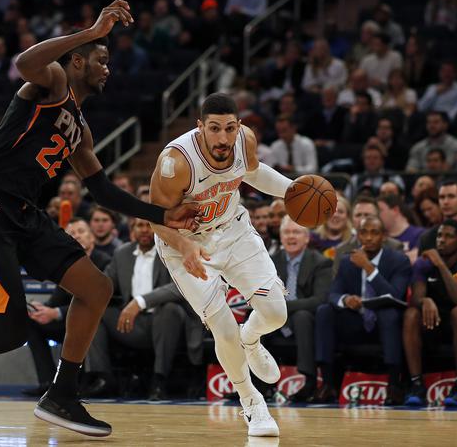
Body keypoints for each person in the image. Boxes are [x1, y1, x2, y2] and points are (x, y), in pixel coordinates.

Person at [0, 0, 198, 437]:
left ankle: (63, 393)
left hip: (23, 214)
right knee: (13, 325)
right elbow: (24, 61)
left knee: (96, 288)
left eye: (109, 60)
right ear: (77, 60)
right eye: (100, 59)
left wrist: (163, 213)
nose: (108, 68)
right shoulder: (53, 80)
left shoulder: (81, 128)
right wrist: (91, 31)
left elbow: (102, 190)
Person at [149, 93, 295, 437]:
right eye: (214, 128)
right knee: (222, 328)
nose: (223, 138)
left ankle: (252, 338)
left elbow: (254, 173)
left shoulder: (245, 141)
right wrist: (184, 245)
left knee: (276, 313)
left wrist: (292, 189)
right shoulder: (176, 161)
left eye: (230, 128)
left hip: (233, 229)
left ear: (238, 126)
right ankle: (252, 403)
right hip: (184, 243)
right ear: (200, 128)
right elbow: (154, 218)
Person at [85, 218, 202, 401]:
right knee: (95, 312)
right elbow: (104, 285)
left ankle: (159, 380)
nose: (144, 230)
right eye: (139, 226)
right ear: (132, 230)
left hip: (167, 325)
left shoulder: (171, 252)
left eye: (149, 225)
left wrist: (140, 302)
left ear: (158, 229)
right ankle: (102, 378)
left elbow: (179, 287)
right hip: (131, 324)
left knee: (169, 310)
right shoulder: (121, 254)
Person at [314, 216, 411, 405]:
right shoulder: (347, 260)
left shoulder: (399, 260)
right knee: (325, 311)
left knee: (389, 314)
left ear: (384, 236)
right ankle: (327, 384)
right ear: (358, 235)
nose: (368, 238)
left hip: (384, 325)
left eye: (374, 233)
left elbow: (395, 296)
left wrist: (368, 267)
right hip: (355, 322)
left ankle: (394, 386)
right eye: (364, 232)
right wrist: (346, 299)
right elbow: (333, 293)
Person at [22, 218, 111, 397]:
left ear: (92, 237)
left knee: (89, 323)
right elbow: (57, 299)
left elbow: (100, 300)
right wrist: (42, 309)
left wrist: (56, 312)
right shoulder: (69, 264)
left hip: (97, 319)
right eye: (72, 233)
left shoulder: (104, 261)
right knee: (30, 324)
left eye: (81, 231)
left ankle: (87, 381)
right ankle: (48, 382)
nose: (77, 235)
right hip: (68, 321)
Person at [403, 219, 457, 407]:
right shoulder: (423, 263)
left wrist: (441, 266)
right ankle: (416, 385)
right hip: (432, 322)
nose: (441, 240)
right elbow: (416, 297)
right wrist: (425, 300)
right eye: (440, 235)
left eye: (448, 236)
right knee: (411, 314)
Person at [269, 216, 332, 402]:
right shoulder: (269, 262)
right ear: (280, 237)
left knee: (302, 316)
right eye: (287, 232)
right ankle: (259, 384)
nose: (291, 237)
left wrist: (283, 307)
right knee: (257, 318)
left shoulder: (320, 262)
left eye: (296, 232)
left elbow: (319, 300)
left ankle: (309, 381)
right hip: (275, 318)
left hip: (305, 321)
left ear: (307, 237)